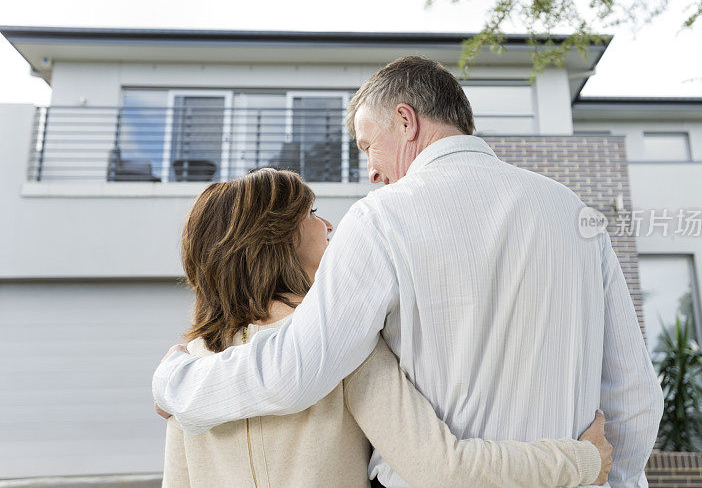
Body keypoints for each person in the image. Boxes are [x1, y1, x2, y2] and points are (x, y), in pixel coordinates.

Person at [154, 56, 664, 487]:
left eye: (368, 146)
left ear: (406, 121)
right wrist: (601, 472)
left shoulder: (380, 219)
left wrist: (174, 385)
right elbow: (635, 400)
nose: (371, 171)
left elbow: (294, 371)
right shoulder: (573, 212)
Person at [161, 167, 611, 487]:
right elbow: (442, 469)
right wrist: (581, 460)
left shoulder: (192, 368)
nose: (329, 223)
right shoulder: (338, 346)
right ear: (276, 237)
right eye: (312, 211)